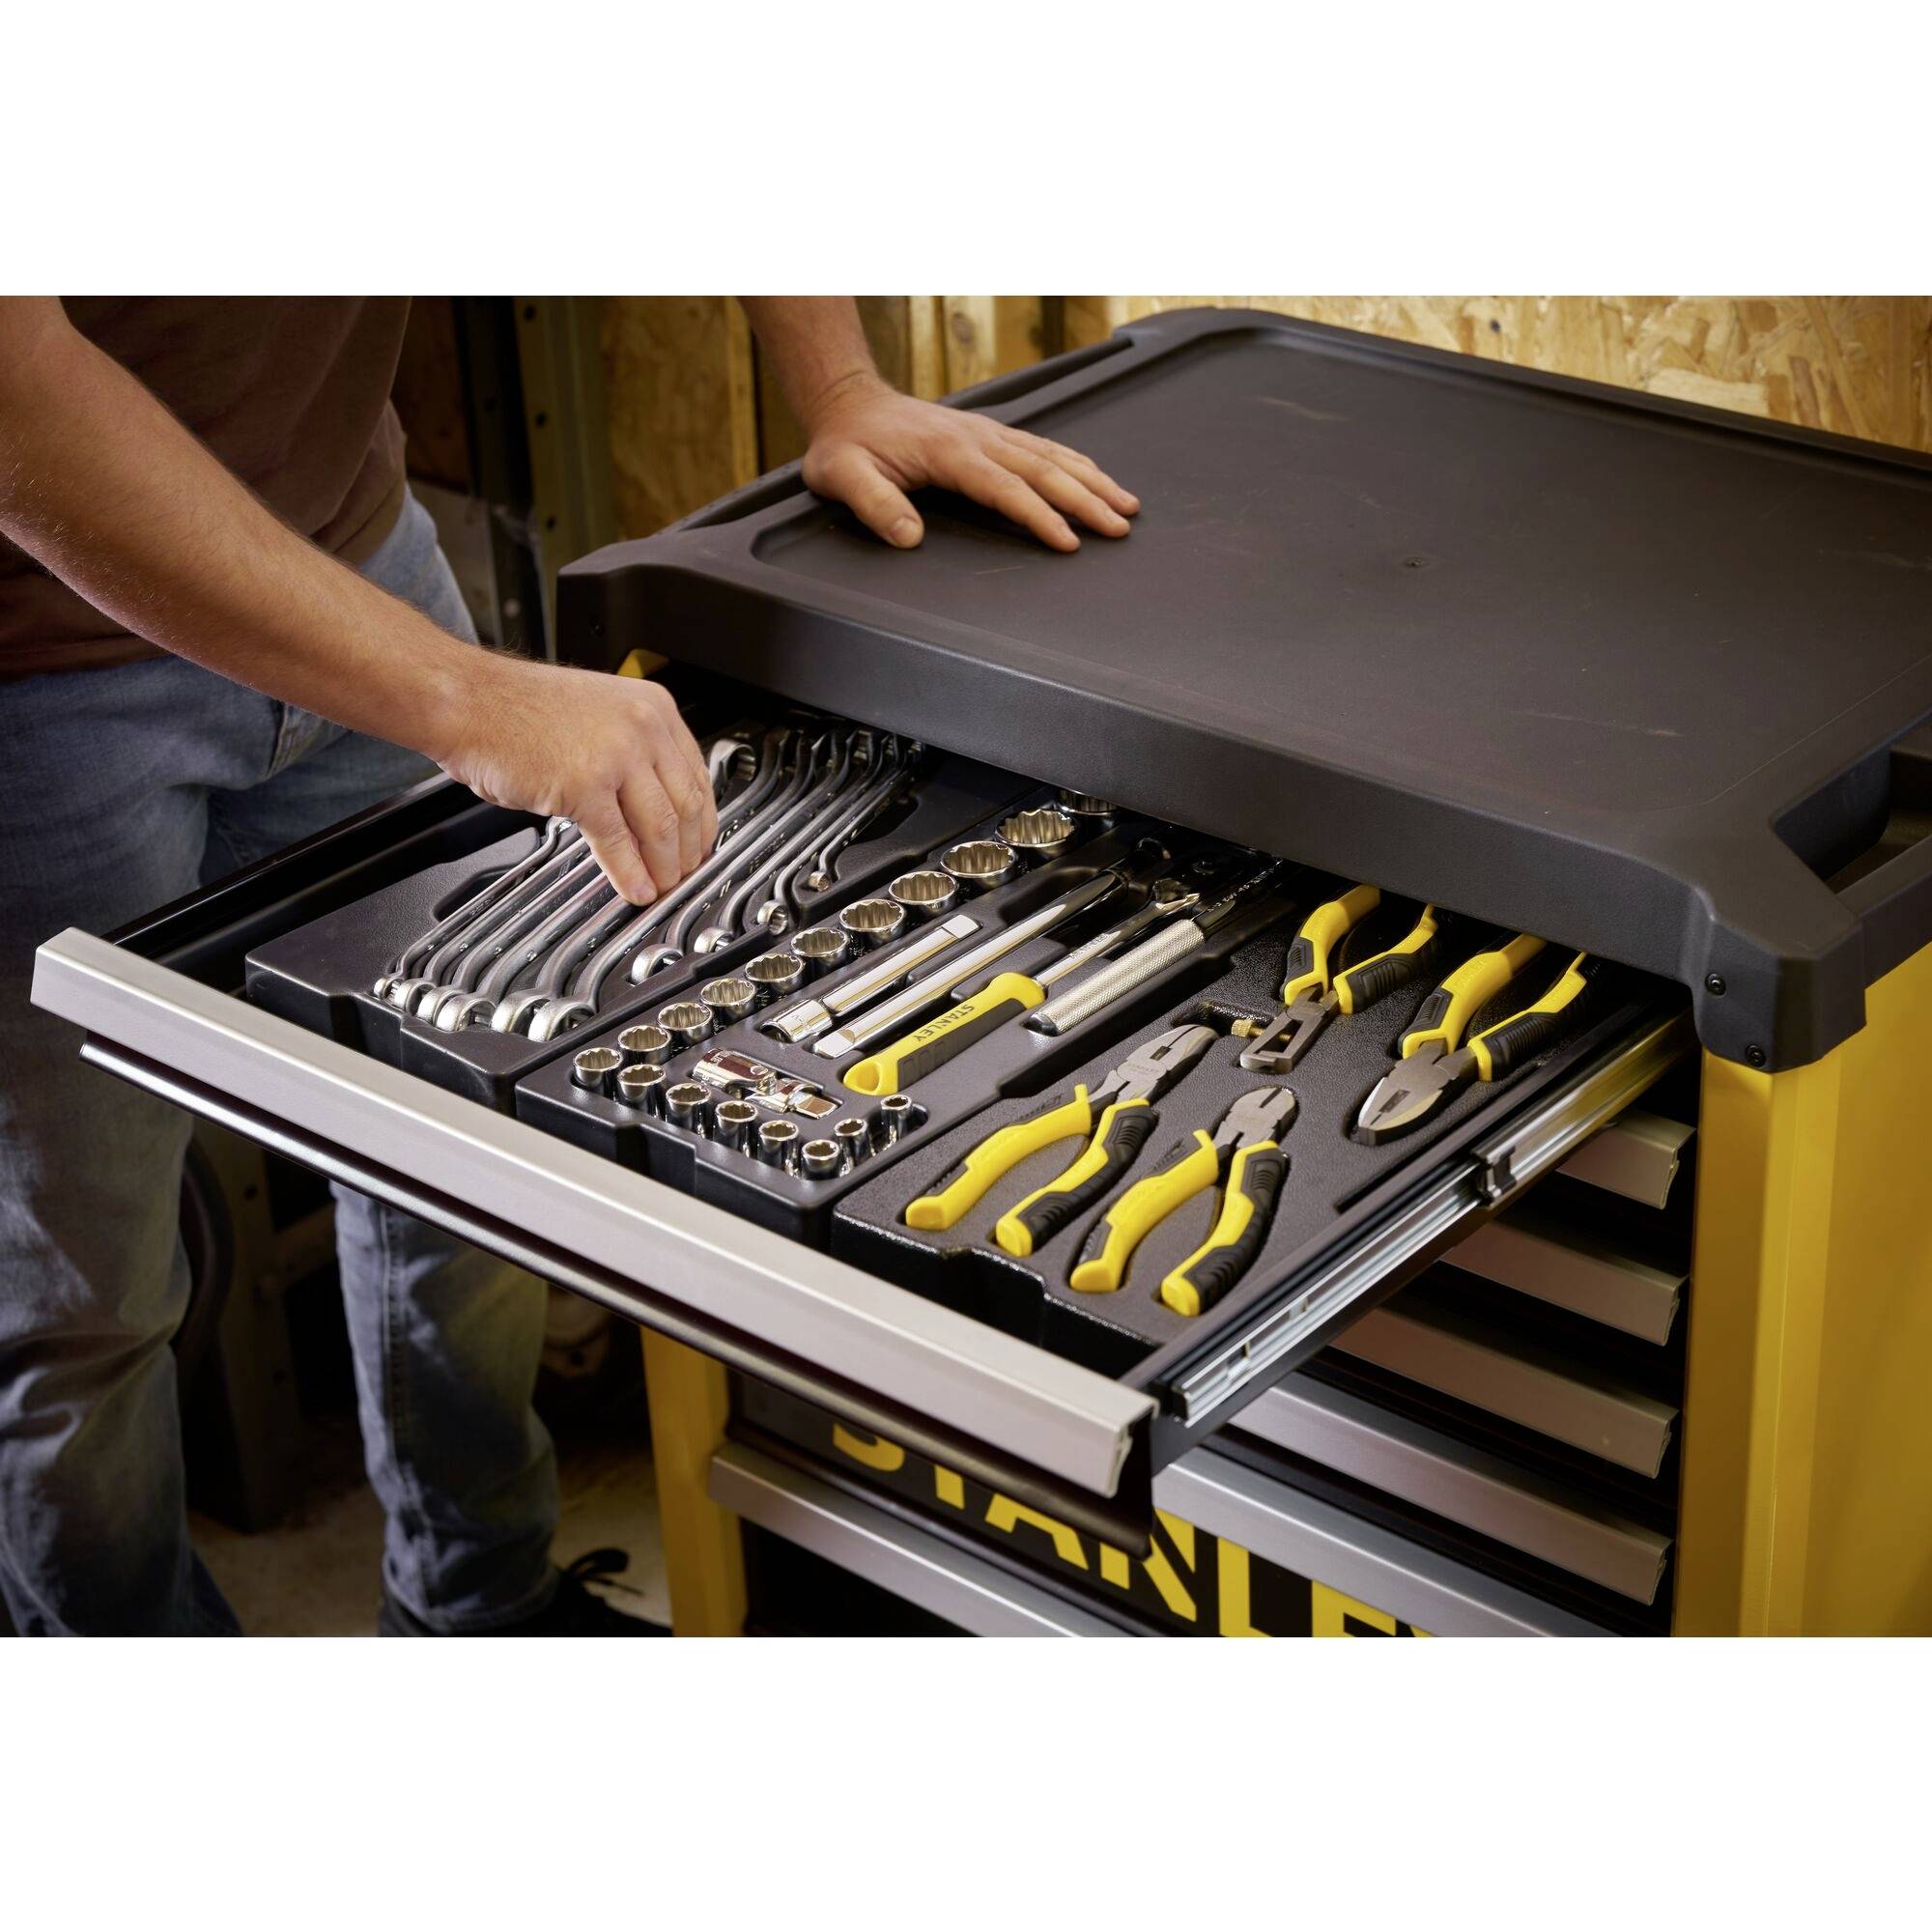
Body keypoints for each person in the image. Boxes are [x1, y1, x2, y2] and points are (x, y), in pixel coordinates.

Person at [0, 296, 1138, 1636]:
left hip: (353, 556)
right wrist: (462, 695)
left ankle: (479, 1608)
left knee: (462, 1175)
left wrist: (841, 389)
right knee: (82, 1301)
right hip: (41, 665)